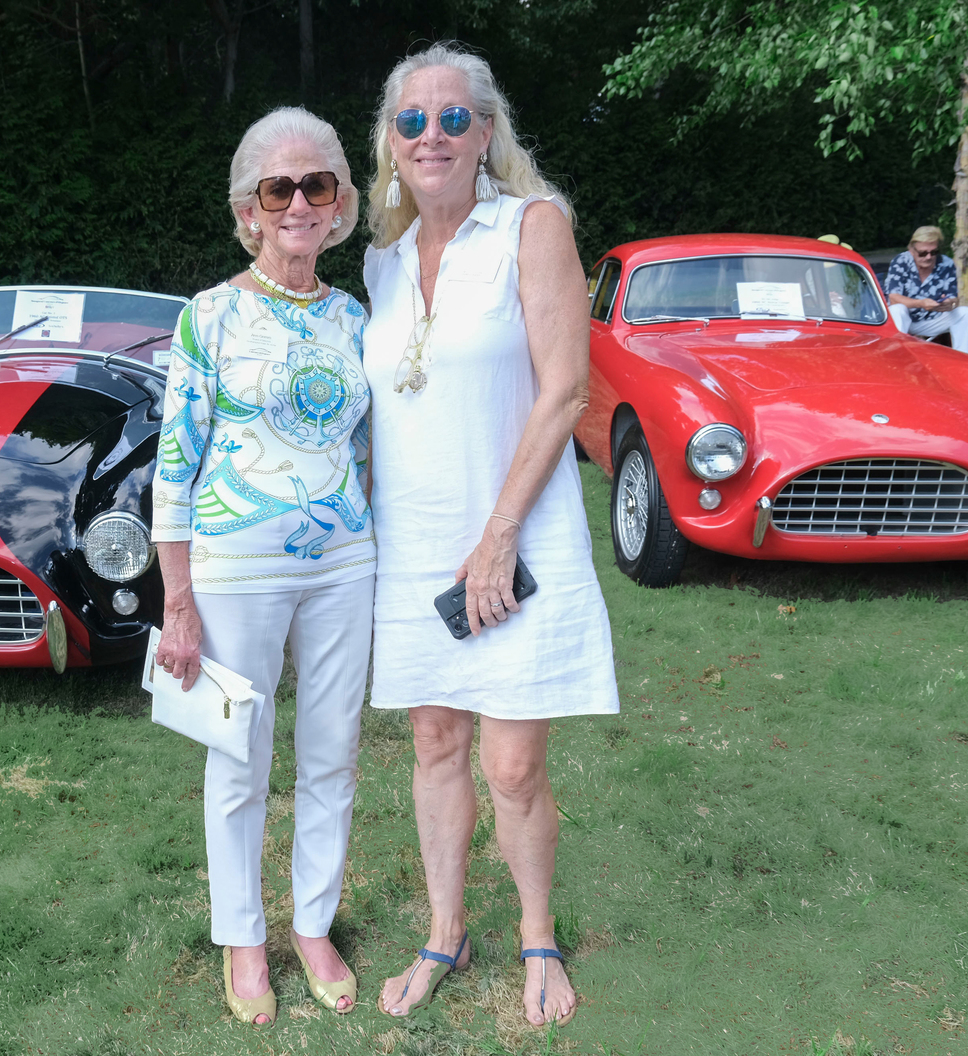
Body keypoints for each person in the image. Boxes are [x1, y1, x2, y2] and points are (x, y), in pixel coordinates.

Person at [360, 43, 621, 1027]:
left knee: (512, 764)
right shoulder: (381, 260)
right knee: (434, 741)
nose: (432, 134)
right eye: (411, 120)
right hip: (416, 541)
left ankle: (538, 934)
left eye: (452, 117)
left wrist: (500, 533)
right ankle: (443, 932)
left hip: (514, 533)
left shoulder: (531, 227)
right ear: (391, 142)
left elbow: (565, 391)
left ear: (486, 132)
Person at [151, 106, 373, 1026]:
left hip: (346, 564)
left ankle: (313, 923)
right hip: (235, 568)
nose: (297, 203)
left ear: (338, 206)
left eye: (315, 184)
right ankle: (244, 937)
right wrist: (178, 601)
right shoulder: (208, 316)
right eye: (277, 188)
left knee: (333, 753)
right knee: (237, 757)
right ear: (249, 209)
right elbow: (175, 460)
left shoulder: (358, 317)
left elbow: (371, 451)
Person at [884, 225, 968, 353]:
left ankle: (965, 362)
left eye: (934, 252)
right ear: (911, 250)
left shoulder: (946, 263)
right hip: (902, 321)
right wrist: (921, 303)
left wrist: (950, 304)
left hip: (932, 319)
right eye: (923, 253)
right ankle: (895, 356)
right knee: (897, 309)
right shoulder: (901, 261)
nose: (928, 257)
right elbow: (893, 298)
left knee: (966, 312)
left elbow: (953, 297)